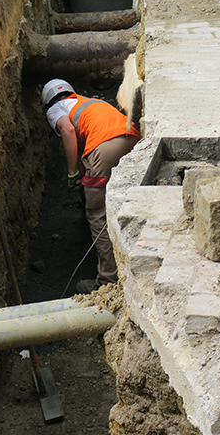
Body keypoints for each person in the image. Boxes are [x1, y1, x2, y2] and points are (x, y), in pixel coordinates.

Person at [41, 79, 141, 294]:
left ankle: (107, 281)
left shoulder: (55, 108)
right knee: (130, 203)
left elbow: (68, 132)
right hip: (133, 140)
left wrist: (72, 172)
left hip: (104, 149)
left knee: (97, 214)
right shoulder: (87, 102)